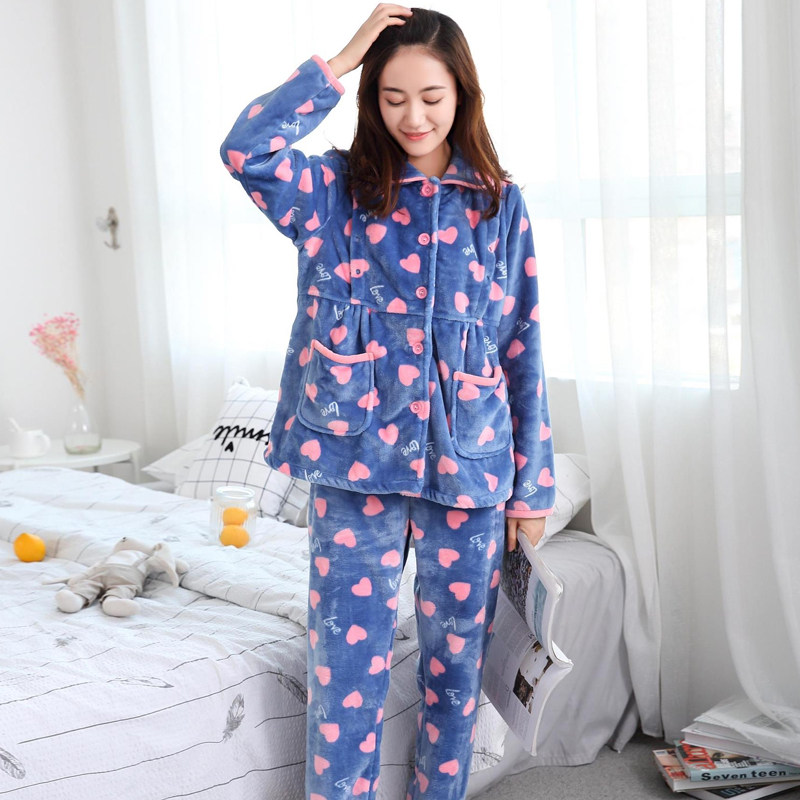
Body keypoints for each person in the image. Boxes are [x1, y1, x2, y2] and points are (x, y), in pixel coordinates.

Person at [220, 6, 556, 799]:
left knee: (454, 678)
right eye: (393, 96)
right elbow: (245, 149)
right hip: (354, 462)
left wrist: (531, 488)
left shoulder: (498, 204)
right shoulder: (330, 192)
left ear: (462, 95)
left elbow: (521, 342)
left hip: (468, 470)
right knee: (344, 674)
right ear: (371, 97)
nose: (413, 116)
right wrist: (341, 60)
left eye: (432, 97)